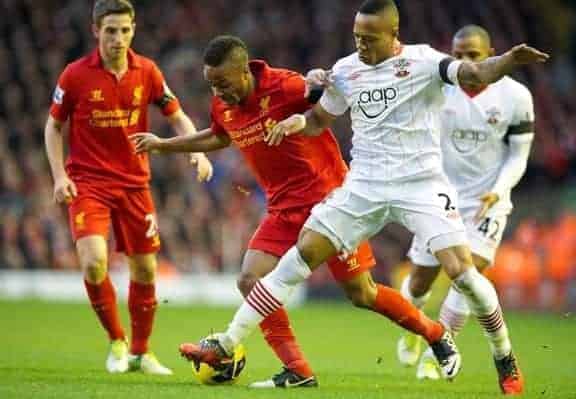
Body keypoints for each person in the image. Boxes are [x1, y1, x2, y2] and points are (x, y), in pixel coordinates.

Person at [172, 0, 548, 393]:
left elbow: (473, 74)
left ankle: (504, 355)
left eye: (370, 39)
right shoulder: (347, 70)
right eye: (357, 38)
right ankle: (226, 344)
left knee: (462, 274)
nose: (362, 46)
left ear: (393, 35)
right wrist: (297, 121)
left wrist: (506, 60)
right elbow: (319, 119)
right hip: (364, 186)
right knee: (297, 259)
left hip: (420, 183)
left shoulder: (423, 61)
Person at [132, 34, 460, 388]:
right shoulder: (223, 104)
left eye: (223, 84)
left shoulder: (284, 86)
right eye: (211, 85)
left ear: (244, 71)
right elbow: (219, 135)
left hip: (331, 203)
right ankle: (298, 370)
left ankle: (435, 333)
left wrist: (319, 79)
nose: (218, 93)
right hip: (282, 209)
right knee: (249, 278)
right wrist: (165, 145)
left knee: (361, 293)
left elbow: (329, 96)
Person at [44, 0, 212, 375]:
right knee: (93, 262)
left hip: (135, 184)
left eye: (124, 30)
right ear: (95, 32)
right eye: (110, 31)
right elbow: (53, 127)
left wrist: (196, 152)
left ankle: (141, 352)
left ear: (133, 29)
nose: (118, 38)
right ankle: (117, 341)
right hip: (88, 183)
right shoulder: (74, 75)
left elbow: (177, 115)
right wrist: (59, 175)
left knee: (146, 271)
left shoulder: (148, 71)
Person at [396, 25, 536, 383]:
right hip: (438, 197)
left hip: (487, 200)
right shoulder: (439, 88)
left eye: (473, 55)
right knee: (419, 283)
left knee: (468, 274)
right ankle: (414, 327)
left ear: (491, 53)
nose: (464, 62)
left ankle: (437, 352)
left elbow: (519, 155)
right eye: (457, 55)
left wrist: (500, 189)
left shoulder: (516, 96)